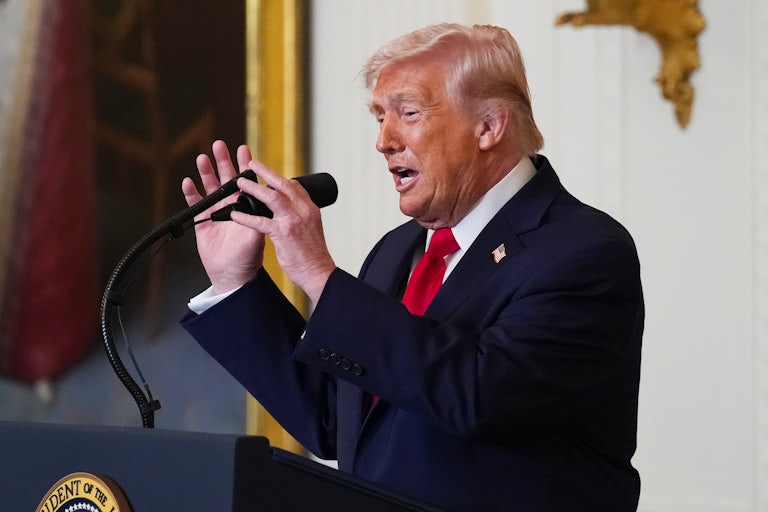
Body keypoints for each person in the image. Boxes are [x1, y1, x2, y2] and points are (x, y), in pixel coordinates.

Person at [180, 23, 644, 512]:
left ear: (489, 126)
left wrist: (319, 275)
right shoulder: (398, 251)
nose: (383, 140)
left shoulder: (583, 251)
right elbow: (336, 421)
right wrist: (236, 283)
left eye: (408, 112)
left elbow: (477, 395)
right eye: (380, 117)